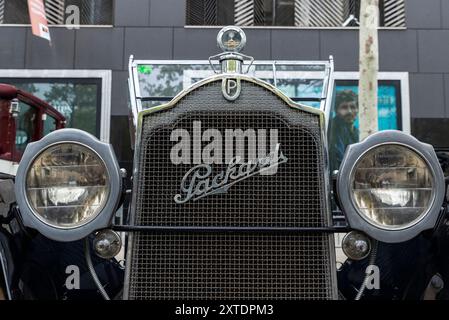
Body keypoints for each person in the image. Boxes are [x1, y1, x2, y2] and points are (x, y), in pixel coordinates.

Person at [329, 90, 359, 172]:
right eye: (344, 107)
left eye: (353, 107)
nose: (349, 111)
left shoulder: (356, 131)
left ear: (358, 110)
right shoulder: (332, 130)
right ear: (336, 110)